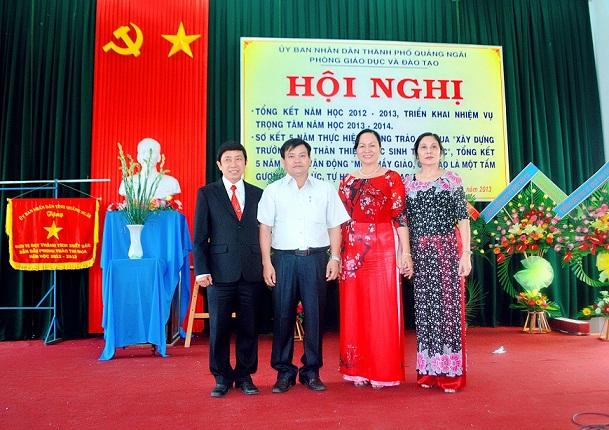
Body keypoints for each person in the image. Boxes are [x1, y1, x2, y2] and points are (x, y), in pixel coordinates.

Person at [258, 138, 349, 393]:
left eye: (301, 155)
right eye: (291, 156)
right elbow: (265, 229)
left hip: (316, 259)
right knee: (282, 316)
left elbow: (335, 227)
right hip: (284, 260)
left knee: (315, 317)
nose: (297, 160)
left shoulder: (325, 189)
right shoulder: (273, 191)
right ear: (283, 161)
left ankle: (311, 371)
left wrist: (335, 258)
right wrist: (267, 263)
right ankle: (284, 372)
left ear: (310, 159)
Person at [338, 129, 412, 389]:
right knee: (354, 307)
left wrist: (405, 252)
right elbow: (339, 220)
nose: (367, 149)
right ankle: (357, 370)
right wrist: (336, 255)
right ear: (355, 150)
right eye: (362, 145)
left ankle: (382, 369)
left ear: (380, 148)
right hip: (351, 250)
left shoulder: (392, 178)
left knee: (382, 308)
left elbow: (400, 216)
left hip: (383, 246)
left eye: (372, 145)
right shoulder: (346, 181)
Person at [400, 132, 471, 394]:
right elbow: (403, 221)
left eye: (433, 147)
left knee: (448, 311)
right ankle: (429, 371)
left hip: (448, 251)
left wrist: (466, 253)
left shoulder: (452, 179)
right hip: (420, 253)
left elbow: (462, 217)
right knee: (425, 311)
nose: (428, 151)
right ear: (416, 153)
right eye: (423, 147)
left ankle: (450, 374)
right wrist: (406, 254)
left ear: (441, 151)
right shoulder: (407, 183)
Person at [192, 141, 264, 398]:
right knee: (219, 327)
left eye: (238, 159)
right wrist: (201, 270)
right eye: (228, 160)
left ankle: (245, 376)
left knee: (249, 327)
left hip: (251, 270)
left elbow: (266, 231)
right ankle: (221, 377)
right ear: (219, 165)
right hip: (219, 272)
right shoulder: (207, 193)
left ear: (245, 163)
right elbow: (200, 236)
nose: (234, 164)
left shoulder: (258, 193)